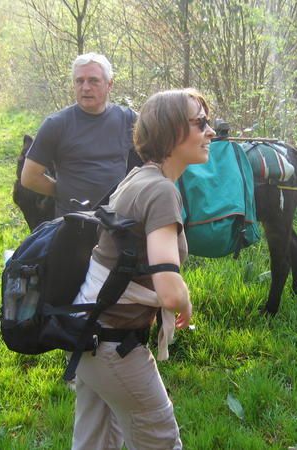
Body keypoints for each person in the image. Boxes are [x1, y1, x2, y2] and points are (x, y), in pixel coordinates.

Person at [70, 88, 215, 450]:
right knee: (160, 440)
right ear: (171, 132)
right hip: (115, 346)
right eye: (200, 123)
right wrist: (184, 301)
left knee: (95, 442)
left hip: (87, 333)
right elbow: (168, 290)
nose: (210, 132)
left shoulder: (138, 177)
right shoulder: (161, 192)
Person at [20, 52, 138, 217]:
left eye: (93, 80)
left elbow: (151, 163)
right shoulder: (56, 124)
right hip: (73, 224)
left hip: (118, 220)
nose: (86, 87)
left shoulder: (129, 119)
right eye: (79, 81)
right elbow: (29, 177)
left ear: (109, 84)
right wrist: (63, 191)